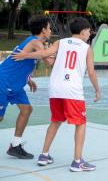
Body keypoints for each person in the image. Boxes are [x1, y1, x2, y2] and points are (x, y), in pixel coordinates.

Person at [13, 17, 100, 171]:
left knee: (56, 120)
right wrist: (97, 90)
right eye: (89, 32)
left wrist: (24, 55)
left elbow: (43, 54)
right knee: (80, 123)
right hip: (72, 90)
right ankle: (77, 161)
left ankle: (44, 155)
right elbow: (92, 73)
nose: (89, 34)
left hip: (55, 88)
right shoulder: (87, 48)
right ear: (83, 31)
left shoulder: (61, 42)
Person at [0, 15, 52, 159]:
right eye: (49, 28)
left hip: (15, 85)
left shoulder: (34, 43)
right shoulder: (35, 42)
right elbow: (49, 61)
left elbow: (23, 63)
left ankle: (15, 145)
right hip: (3, 81)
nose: (51, 31)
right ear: (43, 30)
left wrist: (28, 79)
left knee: (27, 109)